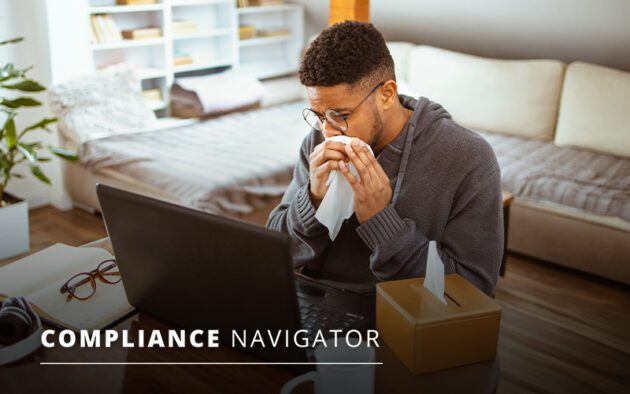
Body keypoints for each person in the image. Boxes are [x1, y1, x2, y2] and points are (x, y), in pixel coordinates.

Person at [266, 21, 503, 296]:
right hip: (313, 304)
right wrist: (313, 200)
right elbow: (275, 250)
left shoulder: (468, 158)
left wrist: (380, 221)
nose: (328, 131)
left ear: (387, 94)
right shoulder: (318, 141)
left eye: (341, 116)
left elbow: (472, 291)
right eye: (319, 116)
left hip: (402, 319)